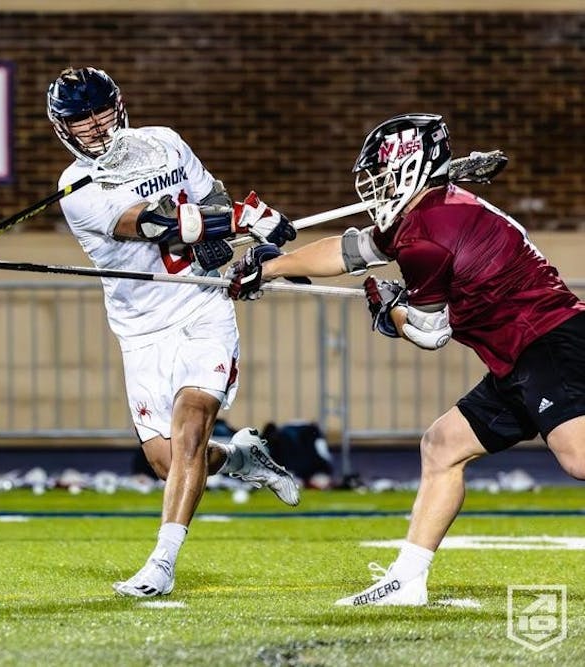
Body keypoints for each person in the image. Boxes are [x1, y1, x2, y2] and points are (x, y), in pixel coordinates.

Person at [227, 113, 585, 606]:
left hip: (545, 340)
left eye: (381, 173)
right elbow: (349, 251)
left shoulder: (426, 234)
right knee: (442, 446)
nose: (375, 186)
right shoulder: (425, 214)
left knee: (579, 457)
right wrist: (271, 268)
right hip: (517, 352)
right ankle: (407, 579)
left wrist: (388, 309)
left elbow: (428, 332)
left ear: (411, 166)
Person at [47, 66, 301, 598]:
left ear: (118, 105)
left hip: (200, 307)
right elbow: (156, 224)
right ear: (64, 128)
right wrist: (244, 218)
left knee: (190, 427)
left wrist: (235, 227)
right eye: (81, 119)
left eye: (101, 111)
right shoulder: (76, 190)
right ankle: (239, 458)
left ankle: (161, 564)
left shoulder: (165, 142)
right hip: (140, 330)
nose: (95, 125)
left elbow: (209, 196)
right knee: (170, 462)